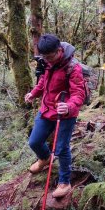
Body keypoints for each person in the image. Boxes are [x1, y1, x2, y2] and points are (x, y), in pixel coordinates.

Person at [24, 34, 86, 198]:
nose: (48, 60)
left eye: (50, 57)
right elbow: (44, 81)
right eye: (45, 57)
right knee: (35, 141)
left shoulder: (73, 67)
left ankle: (64, 182)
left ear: (59, 50)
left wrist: (69, 106)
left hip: (65, 114)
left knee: (61, 148)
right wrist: (33, 93)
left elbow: (79, 93)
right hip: (46, 109)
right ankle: (44, 158)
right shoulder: (47, 63)